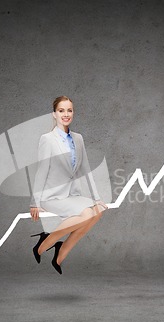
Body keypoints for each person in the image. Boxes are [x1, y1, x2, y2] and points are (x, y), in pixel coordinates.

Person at [29, 96, 108, 274]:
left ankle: (60, 251)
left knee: (96, 212)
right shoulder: (47, 139)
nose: (66, 114)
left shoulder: (78, 138)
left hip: (72, 194)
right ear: (54, 114)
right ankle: (45, 243)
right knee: (87, 214)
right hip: (52, 195)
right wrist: (35, 202)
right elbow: (42, 171)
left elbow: (85, 169)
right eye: (61, 110)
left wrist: (97, 198)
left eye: (69, 110)